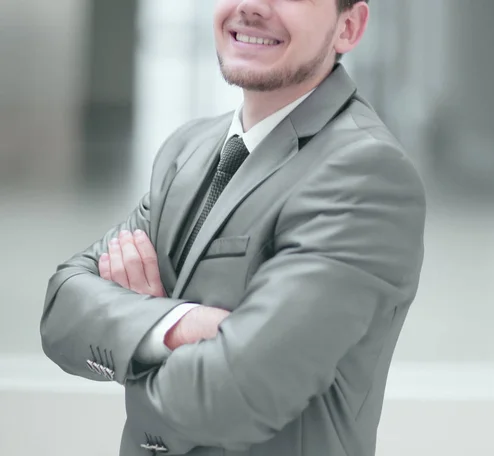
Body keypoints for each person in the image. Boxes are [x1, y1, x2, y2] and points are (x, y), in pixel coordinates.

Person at [40, 0, 426, 454]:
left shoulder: (363, 172)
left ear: (349, 27)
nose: (250, 6)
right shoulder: (188, 150)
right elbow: (62, 310)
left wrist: (132, 343)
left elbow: (233, 397)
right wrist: (177, 325)